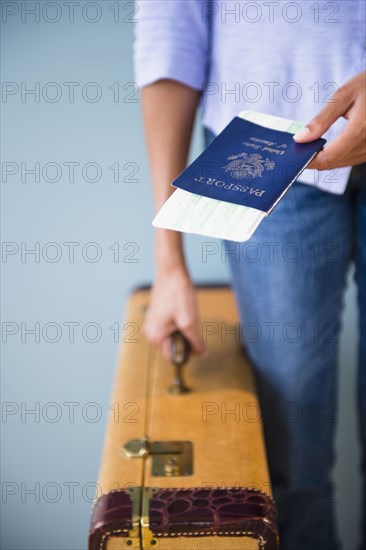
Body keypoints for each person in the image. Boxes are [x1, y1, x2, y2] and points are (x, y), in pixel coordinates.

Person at [133, 1, 366, 548]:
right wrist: (169, 261)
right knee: (289, 460)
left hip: (273, 153)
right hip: (270, 153)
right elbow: (170, 37)